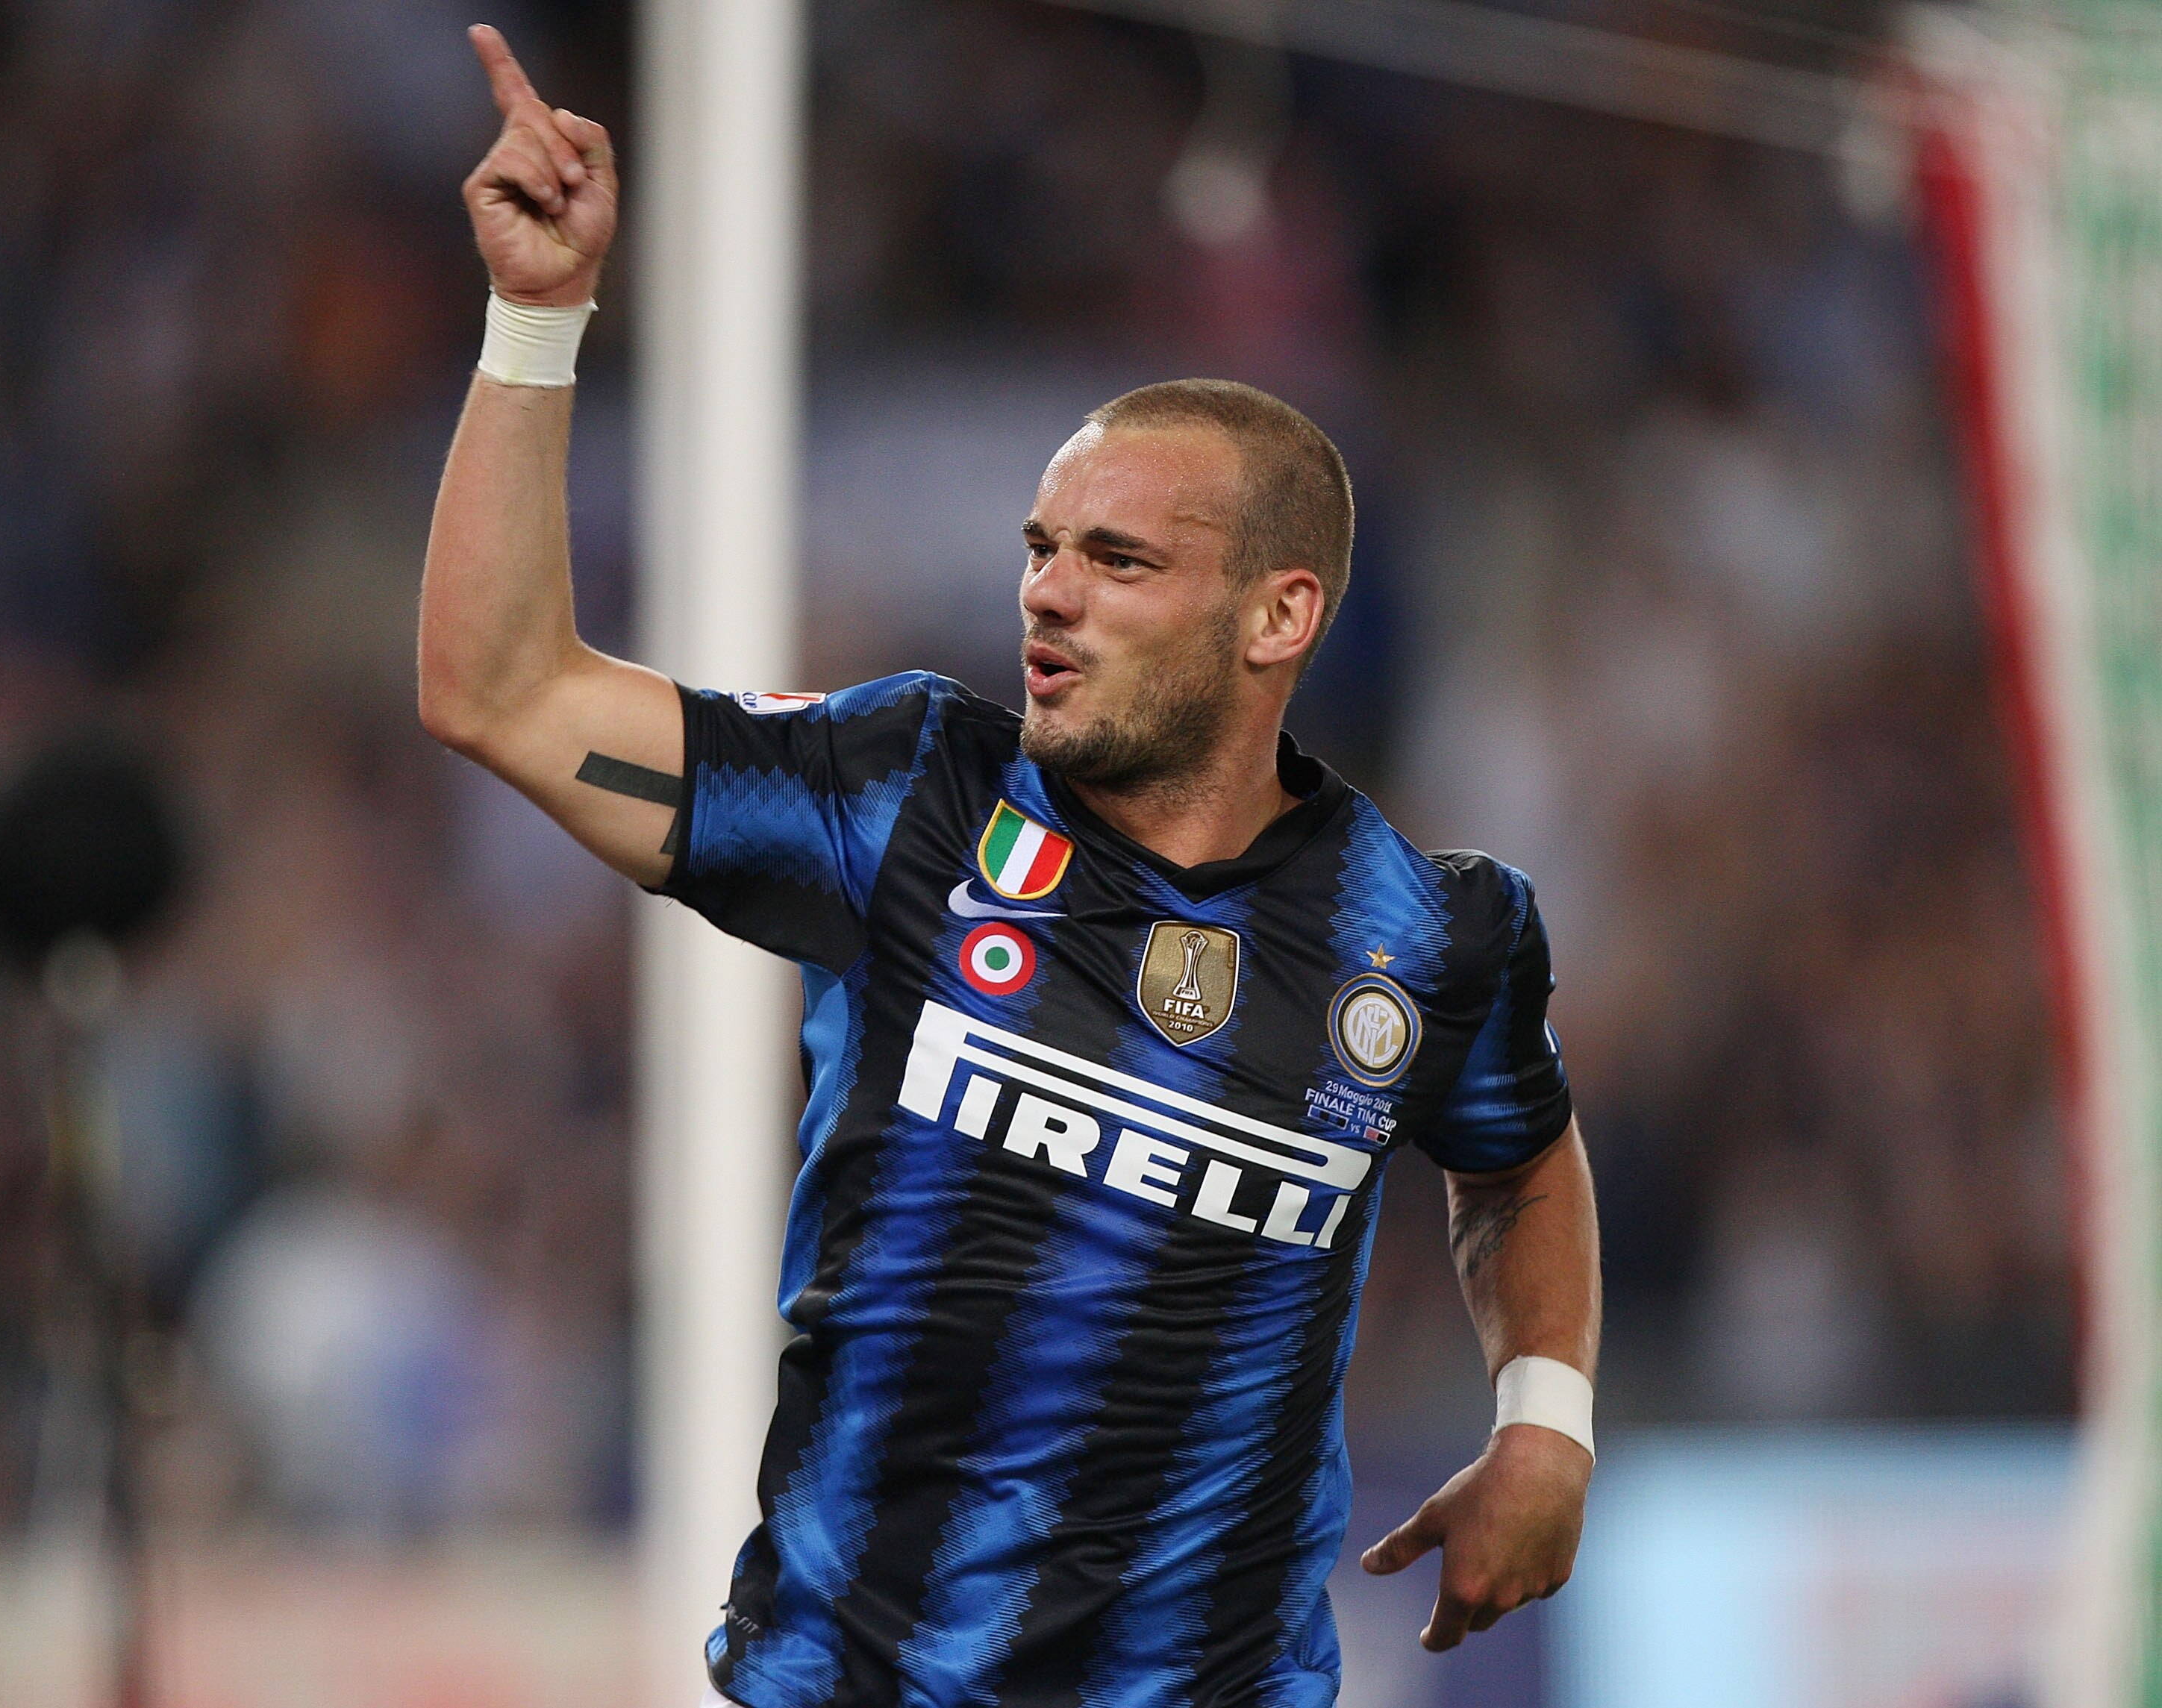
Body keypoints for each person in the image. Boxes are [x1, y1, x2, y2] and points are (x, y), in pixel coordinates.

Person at [420, 27, 1602, 1708]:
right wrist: (537, 317)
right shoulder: (906, 792)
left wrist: (1544, 1421)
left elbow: (1525, 1156)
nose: (1050, 593)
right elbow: (500, 690)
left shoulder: (1432, 935)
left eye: (1118, 560)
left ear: (1280, 616)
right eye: (1043, 550)